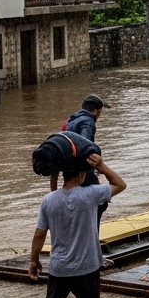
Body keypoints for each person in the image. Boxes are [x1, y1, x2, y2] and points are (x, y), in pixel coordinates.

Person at [28, 153, 126, 298]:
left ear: (63, 175)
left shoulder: (48, 200)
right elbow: (120, 184)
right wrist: (101, 165)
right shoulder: (92, 194)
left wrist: (34, 261)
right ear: (82, 175)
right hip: (86, 267)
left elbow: (39, 234)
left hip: (59, 268)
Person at [50, 94, 111, 225]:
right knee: (99, 203)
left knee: (78, 203)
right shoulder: (88, 121)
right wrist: (96, 163)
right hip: (82, 171)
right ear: (96, 111)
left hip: (70, 171)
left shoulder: (71, 121)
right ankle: (92, 238)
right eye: (100, 111)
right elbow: (85, 143)